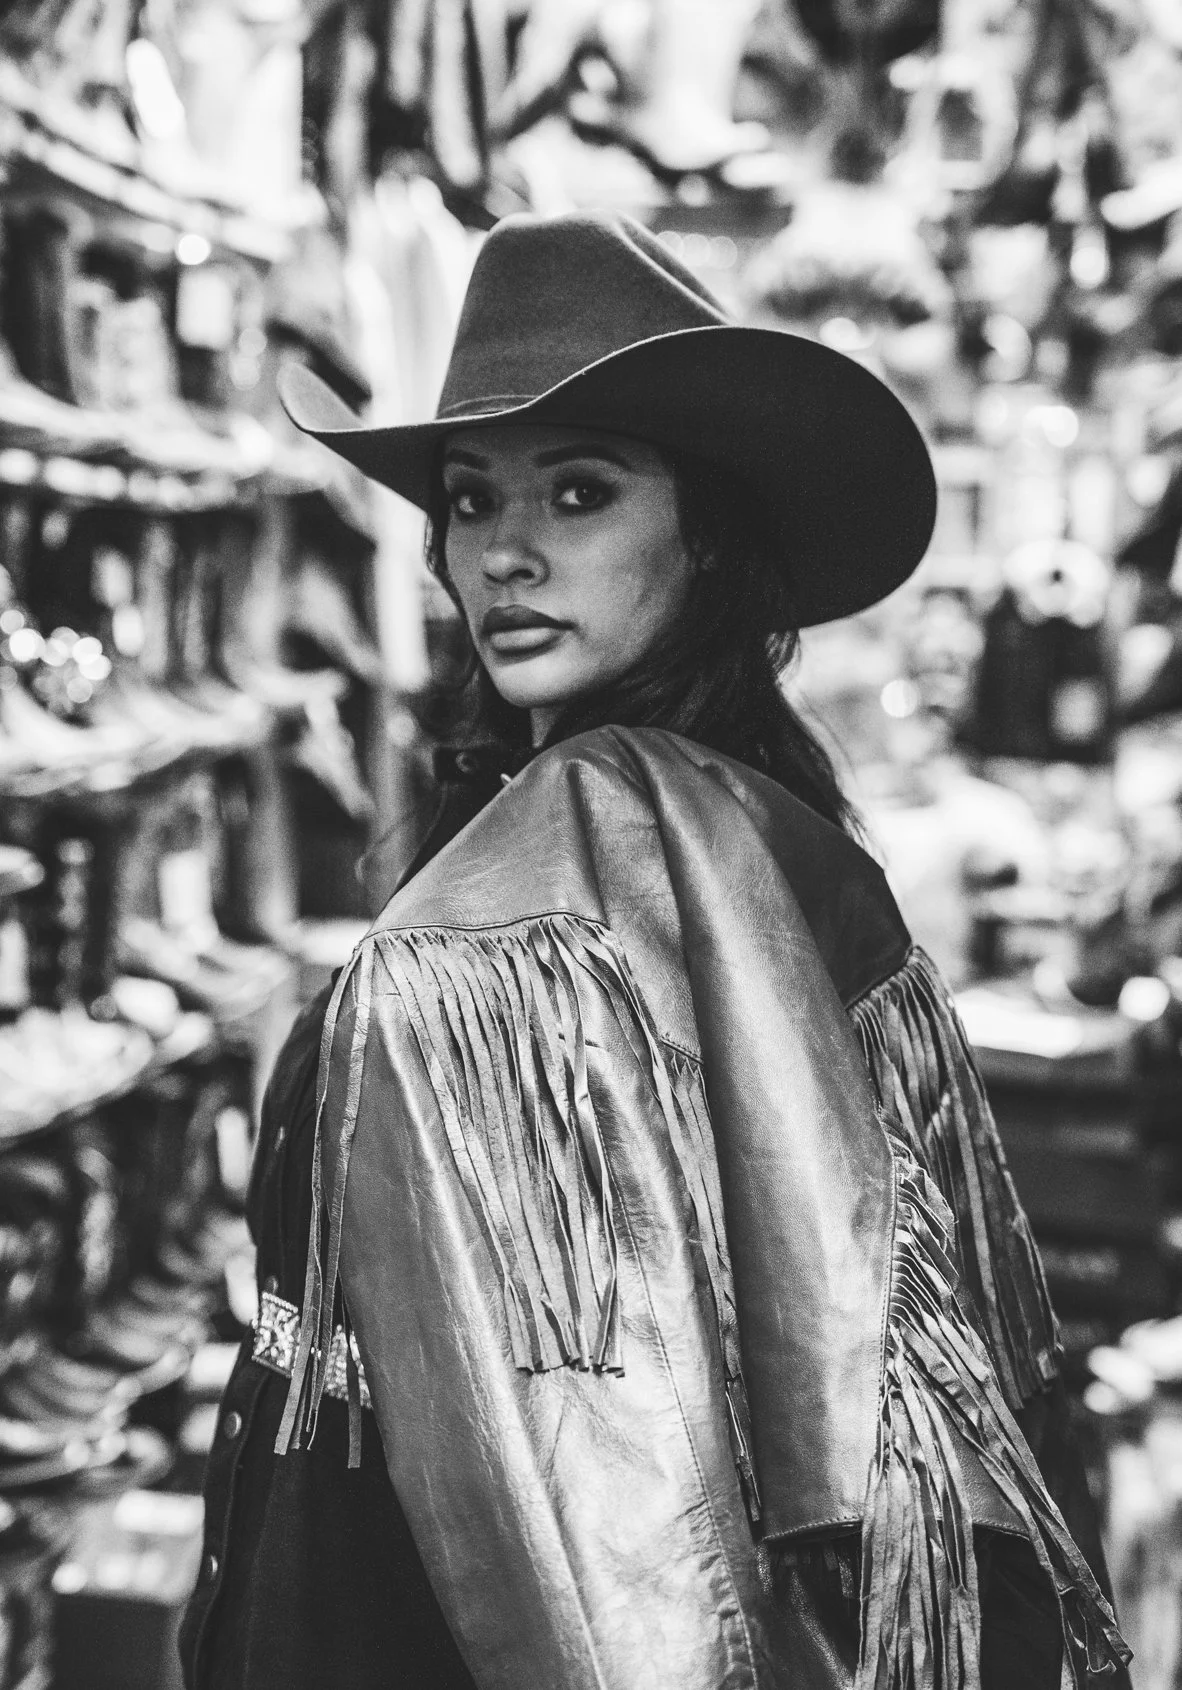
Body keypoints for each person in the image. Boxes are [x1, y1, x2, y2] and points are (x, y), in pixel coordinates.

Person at [181, 212, 1130, 1690]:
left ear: (700, 535)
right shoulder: (767, 840)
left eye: (578, 491)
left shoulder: (527, 914)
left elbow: (595, 1521)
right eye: (471, 498)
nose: (505, 551)